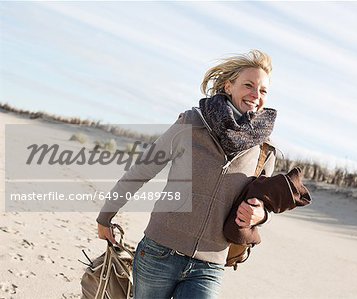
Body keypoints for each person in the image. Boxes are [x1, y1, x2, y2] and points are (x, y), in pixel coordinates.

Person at [96, 49, 278, 298]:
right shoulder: (192, 123)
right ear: (228, 86)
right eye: (249, 85)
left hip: (210, 264)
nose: (256, 95)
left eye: (263, 90)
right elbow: (142, 170)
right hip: (159, 251)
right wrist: (106, 215)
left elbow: (262, 207)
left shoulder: (264, 151)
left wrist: (259, 216)